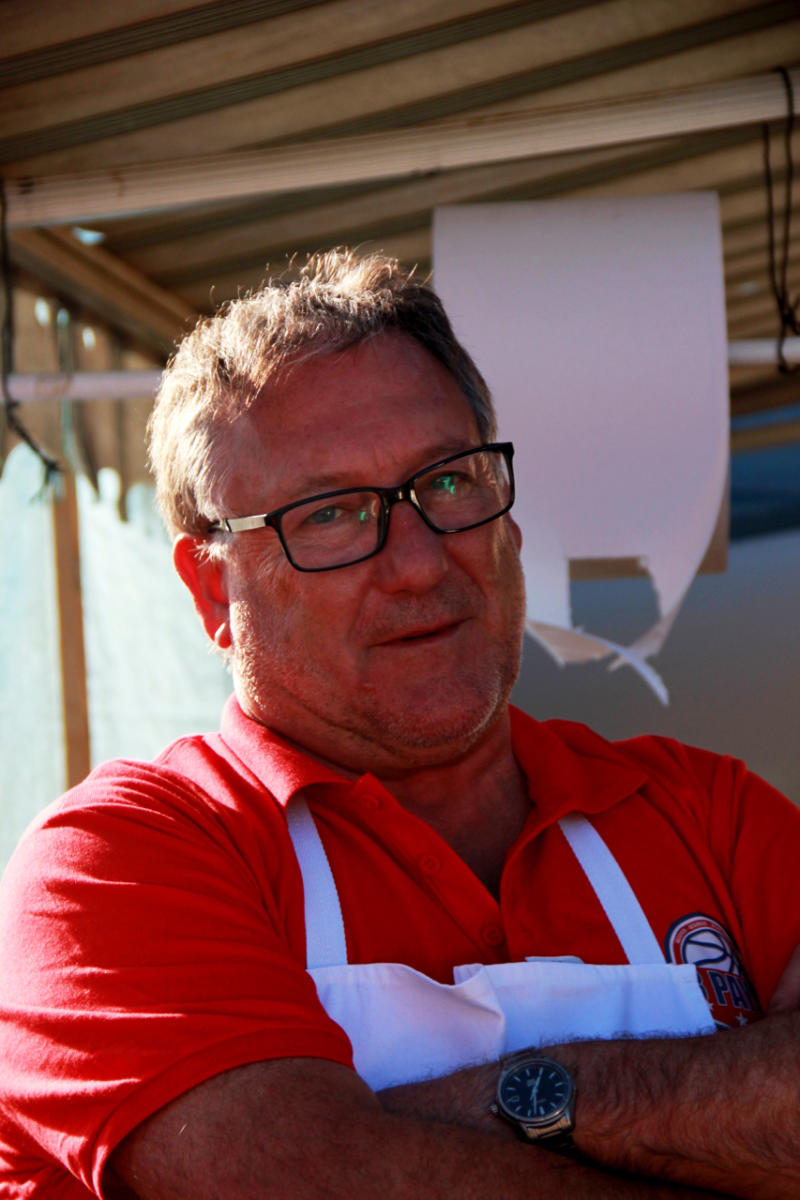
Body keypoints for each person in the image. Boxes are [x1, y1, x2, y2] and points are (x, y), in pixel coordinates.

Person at [0, 249, 798, 1200]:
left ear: (508, 522)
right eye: (331, 514)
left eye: (450, 482)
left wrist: (510, 1102)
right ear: (214, 590)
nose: (420, 563)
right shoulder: (120, 862)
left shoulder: (702, 808)